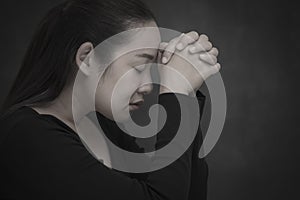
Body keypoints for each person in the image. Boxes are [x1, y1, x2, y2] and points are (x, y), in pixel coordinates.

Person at [0, 0, 220, 199]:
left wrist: (185, 91)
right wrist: (175, 94)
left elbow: (189, 194)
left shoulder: (106, 128)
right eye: (139, 66)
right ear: (87, 58)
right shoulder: (27, 136)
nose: (149, 85)